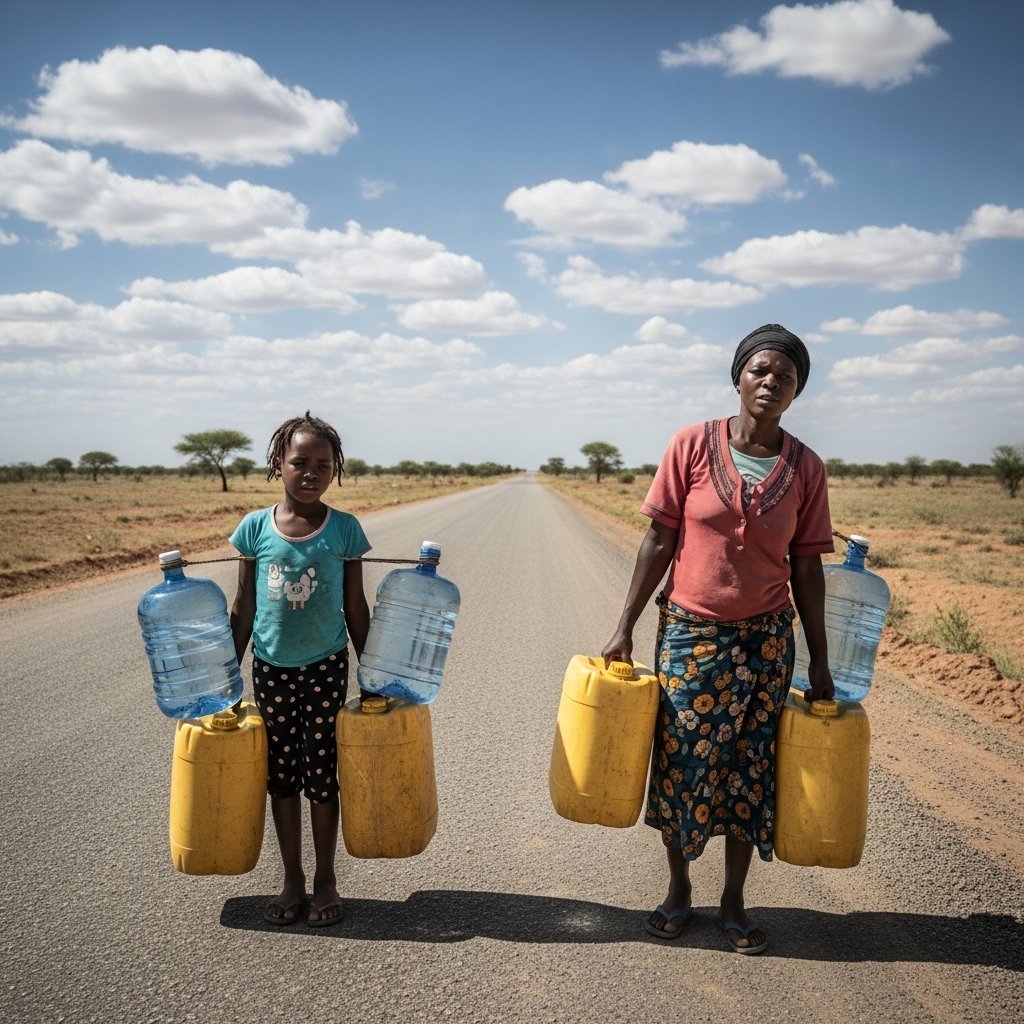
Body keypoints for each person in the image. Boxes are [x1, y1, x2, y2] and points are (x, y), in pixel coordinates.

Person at [601, 324, 834, 955]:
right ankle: (679, 889)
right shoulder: (691, 445)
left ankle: (733, 899)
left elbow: (809, 568)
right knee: (683, 767)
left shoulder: (806, 467)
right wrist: (623, 626)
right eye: (760, 370)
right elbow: (658, 540)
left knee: (749, 772)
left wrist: (820, 662)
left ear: (796, 391)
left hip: (767, 641)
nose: (771, 382)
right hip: (690, 634)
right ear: (738, 378)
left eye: (785, 376)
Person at [229, 411, 371, 928]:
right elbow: (243, 607)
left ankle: (326, 879)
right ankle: (291, 878)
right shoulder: (253, 528)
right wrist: (228, 673)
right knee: (281, 778)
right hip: (270, 671)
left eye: (322, 464)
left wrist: (371, 673)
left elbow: (356, 608)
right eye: (299, 462)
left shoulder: (346, 530)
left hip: (326, 668)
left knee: (323, 777)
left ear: (335, 469)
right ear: (277, 464)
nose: (310, 472)